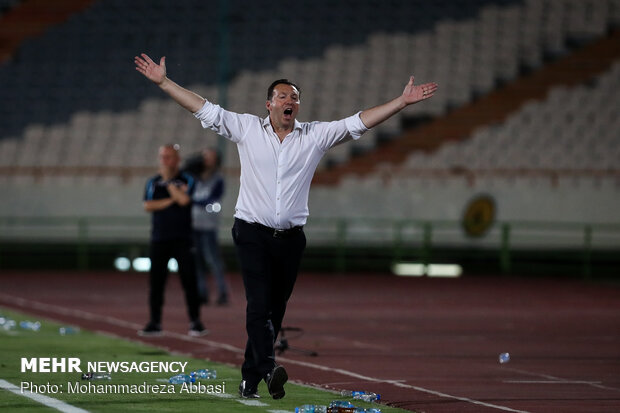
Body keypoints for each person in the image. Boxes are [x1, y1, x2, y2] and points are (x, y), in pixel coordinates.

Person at [135, 53, 437, 399]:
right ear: (269, 105)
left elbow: (359, 122)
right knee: (258, 305)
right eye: (283, 96)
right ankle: (268, 368)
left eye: (295, 96)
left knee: (275, 311)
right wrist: (163, 83)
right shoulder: (247, 128)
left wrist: (401, 101)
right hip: (251, 231)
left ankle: (251, 377)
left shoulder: (315, 136)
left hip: (291, 239)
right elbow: (203, 108)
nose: (290, 100)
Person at [140, 143, 208, 337]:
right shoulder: (152, 182)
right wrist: (172, 198)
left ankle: (195, 322)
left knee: (189, 281)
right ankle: (155, 322)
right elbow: (148, 205)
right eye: (163, 157)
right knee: (156, 283)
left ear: (177, 160)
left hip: (183, 239)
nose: (165, 161)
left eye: (169, 157)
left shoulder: (187, 179)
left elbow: (185, 201)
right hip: (159, 239)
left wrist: (170, 185)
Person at [191, 148, 230, 306]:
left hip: (208, 225)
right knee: (197, 260)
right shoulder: (193, 177)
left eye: (210, 157)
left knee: (213, 260)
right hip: (193, 224)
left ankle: (222, 291)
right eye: (205, 157)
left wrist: (196, 202)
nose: (207, 160)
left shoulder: (218, 179)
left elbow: (213, 198)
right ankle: (202, 292)